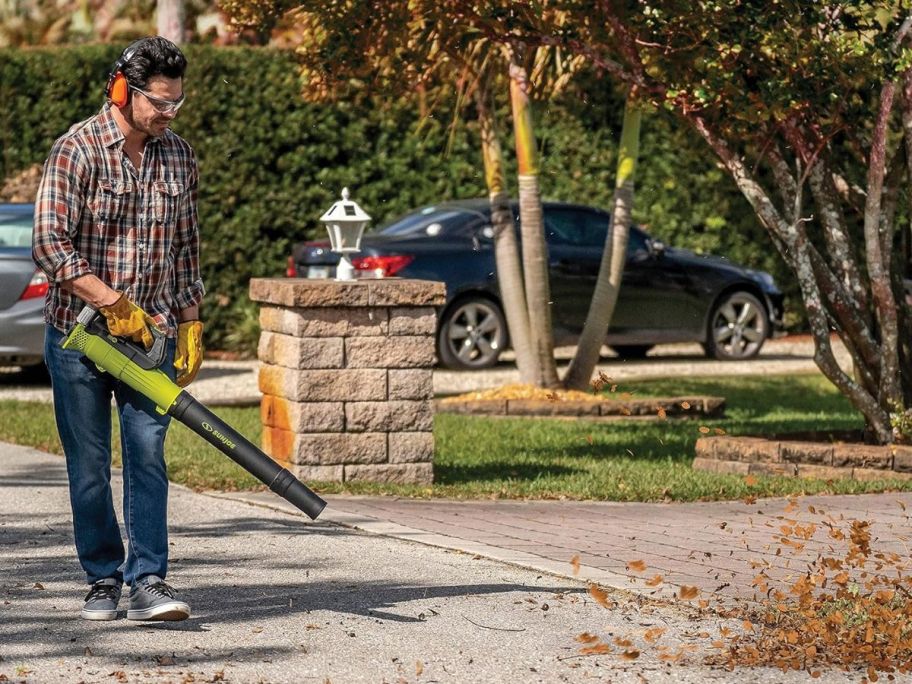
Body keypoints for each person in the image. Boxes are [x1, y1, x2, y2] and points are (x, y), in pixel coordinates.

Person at [32, 36, 205, 622]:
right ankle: (102, 578)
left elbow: (185, 250)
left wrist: (190, 323)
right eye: (159, 103)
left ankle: (148, 580)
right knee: (88, 466)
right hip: (77, 340)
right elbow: (49, 246)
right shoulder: (76, 151)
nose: (168, 114)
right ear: (121, 91)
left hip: (147, 341)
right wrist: (111, 303)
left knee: (148, 454)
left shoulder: (178, 155)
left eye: (176, 103)